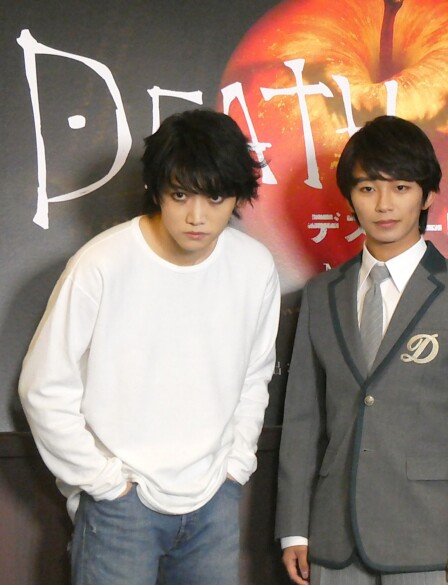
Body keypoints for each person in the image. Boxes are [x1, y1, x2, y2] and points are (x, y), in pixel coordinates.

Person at [18, 109, 281, 585]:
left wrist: (235, 467)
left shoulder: (255, 266)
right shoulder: (101, 263)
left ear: (237, 195)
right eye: (180, 195)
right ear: (157, 190)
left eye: (215, 197)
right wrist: (105, 483)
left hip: (214, 502)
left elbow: (255, 375)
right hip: (122, 507)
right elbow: (43, 386)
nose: (197, 216)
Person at [276, 115, 448, 585]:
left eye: (401, 188)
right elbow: (304, 420)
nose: (384, 204)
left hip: (432, 539)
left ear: (427, 196)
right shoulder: (322, 294)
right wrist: (294, 528)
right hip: (332, 540)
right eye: (367, 189)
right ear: (350, 197)